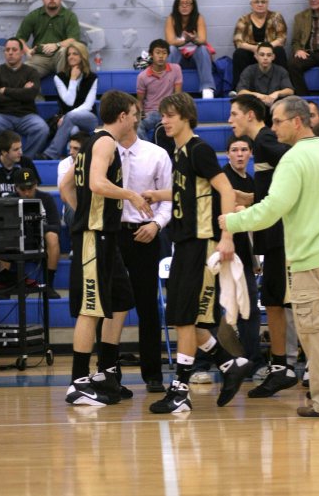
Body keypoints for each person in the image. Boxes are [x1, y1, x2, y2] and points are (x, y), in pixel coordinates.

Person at [220, 96, 319, 418]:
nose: (272, 127)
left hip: (314, 255)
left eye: (277, 121)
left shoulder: (294, 158)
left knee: (318, 332)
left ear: (297, 121)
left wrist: (232, 221)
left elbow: (273, 209)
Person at [142, 92, 253, 414]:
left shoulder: (200, 149)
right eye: (163, 115)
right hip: (184, 242)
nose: (165, 120)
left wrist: (227, 236)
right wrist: (157, 194)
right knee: (184, 318)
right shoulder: (179, 152)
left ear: (187, 117)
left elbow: (225, 189)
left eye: (171, 115)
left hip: (202, 241)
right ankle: (230, 365)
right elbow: (187, 191)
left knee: (185, 318)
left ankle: (180, 391)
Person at [60, 90, 153, 406]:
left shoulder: (90, 143)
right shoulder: (104, 143)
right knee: (91, 307)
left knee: (121, 298)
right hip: (93, 237)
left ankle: (106, 373)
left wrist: (81, 209)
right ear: (123, 116)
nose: (137, 118)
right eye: (135, 113)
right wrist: (131, 195)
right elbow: (97, 183)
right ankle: (78, 382)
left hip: (105, 236)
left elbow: (65, 185)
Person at [227, 93, 298, 398]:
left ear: (251, 116)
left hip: (284, 237)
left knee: (285, 302)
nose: (230, 120)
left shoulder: (267, 139)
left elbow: (296, 163)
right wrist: (246, 198)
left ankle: (289, 367)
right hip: (273, 237)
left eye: (234, 114)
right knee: (273, 301)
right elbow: (271, 190)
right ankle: (280, 367)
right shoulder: (262, 144)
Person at [98, 123, 172, 392]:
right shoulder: (103, 151)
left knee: (147, 306)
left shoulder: (156, 154)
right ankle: (108, 373)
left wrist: (157, 225)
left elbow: (169, 198)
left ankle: (153, 374)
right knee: (108, 305)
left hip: (144, 233)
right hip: (112, 233)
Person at [222, 135, 264, 371]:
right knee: (221, 307)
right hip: (222, 251)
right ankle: (206, 361)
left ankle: (252, 360)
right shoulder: (223, 178)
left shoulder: (252, 180)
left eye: (244, 150)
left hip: (245, 254)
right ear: (228, 154)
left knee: (248, 307)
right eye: (235, 150)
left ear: (250, 154)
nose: (239, 154)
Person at [0, 38, 49, 158]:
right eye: (7, 50)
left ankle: (25, 160)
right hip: (2, 115)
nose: (10, 52)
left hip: (27, 115)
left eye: (14, 50)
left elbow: (31, 95)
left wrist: (5, 90)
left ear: (21, 52)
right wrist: (22, 91)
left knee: (42, 128)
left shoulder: (31, 72)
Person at [37, 41, 98, 159]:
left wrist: (67, 116)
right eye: (69, 54)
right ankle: (74, 160)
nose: (71, 57)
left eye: (75, 54)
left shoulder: (92, 77)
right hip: (68, 121)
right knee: (73, 130)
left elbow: (88, 105)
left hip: (89, 118)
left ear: (82, 56)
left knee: (70, 118)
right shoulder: (59, 77)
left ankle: (50, 154)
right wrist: (73, 79)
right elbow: (69, 101)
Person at [12, 168, 61, 299]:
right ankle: (5, 286)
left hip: (39, 240)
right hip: (16, 240)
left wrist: (35, 229)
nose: (27, 193)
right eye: (23, 189)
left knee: (52, 236)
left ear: (36, 185)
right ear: (16, 188)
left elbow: (56, 226)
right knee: (4, 239)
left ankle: (49, 284)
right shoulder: (10, 200)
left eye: (30, 188)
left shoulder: (45, 198)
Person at [16, 0, 81, 79]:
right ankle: (36, 94)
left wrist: (57, 45)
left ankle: (64, 90)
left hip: (61, 57)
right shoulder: (33, 16)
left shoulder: (69, 16)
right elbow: (19, 38)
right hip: (39, 58)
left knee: (64, 51)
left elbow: (73, 40)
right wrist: (27, 51)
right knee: (24, 74)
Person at [232, 0, 288, 89]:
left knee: (279, 51)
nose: (260, 4)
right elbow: (238, 41)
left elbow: (281, 38)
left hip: (270, 52)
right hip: (251, 53)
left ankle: (283, 87)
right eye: (256, 2)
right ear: (251, 4)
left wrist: (265, 48)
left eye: (263, 2)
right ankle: (239, 89)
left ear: (267, 3)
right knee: (239, 54)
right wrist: (255, 49)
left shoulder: (276, 16)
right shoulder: (243, 19)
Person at [165, 0, 215, 99]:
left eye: (188, 3)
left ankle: (207, 88)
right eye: (181, 3)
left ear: (193, 6)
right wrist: (185, 40)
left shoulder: (198, 17)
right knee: (171, 49)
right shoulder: (171, 18)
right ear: (177, 6)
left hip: (194, 59)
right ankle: (168, 87)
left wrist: (193, 39)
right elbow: (170, 41)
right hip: (179, 59)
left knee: (202, 49)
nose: (184, 6)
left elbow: (202, 39)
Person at [136, 38, 182, 141]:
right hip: (151, 113)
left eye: (164, 53)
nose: (161, 56)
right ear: (151, 54)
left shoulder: (176, 69)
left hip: (169, 111)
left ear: (168, 55)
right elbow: (140, 101)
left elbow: (178, 96)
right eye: (157, 53)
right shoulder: (142, 76)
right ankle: (149, 152)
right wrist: (140, 114)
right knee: (137, 126)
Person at [236, 42, 293, 115]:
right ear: (256, 56)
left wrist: (277, 93)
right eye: (262, 55)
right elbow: (241, 92)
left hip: (275, 110)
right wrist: (258, 95)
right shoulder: (249, 70)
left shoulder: (281, 71)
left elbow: (290, 90)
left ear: (273, 57)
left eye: (269, 55)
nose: (265, 58)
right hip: (254, 111)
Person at [0, 130, 41, 197]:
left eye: (20, 148)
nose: (20, 152)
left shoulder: (26, 163)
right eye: (16, 149)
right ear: (4, 152)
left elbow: (34, 189)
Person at [57, 131, 91, 231]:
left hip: (93, 202)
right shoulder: (64, 164)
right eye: (70, 147)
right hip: (74, 202)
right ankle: (77, 243)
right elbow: (64, 196)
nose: (71, 152)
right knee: (72, 208)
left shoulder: (97, 161)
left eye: (76, 149)